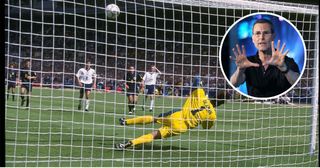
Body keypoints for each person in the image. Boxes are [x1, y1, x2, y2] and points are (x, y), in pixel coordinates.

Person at [115, 87, 226, 150]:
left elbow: (196, 89)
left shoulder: (201, 95)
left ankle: (126, 121)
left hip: (177, 114)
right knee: (154, 135)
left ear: (215, 95)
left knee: (154, 119)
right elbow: (206, 127)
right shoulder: (213, 116)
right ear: (221, 104)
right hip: (181, 127)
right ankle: (130, 143)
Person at [230, 19, 300, 97]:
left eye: (266, 33)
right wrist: (240, 70)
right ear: (253, 38)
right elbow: (234, 84)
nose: (261, 37)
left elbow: (297, 84)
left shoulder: (286, 61)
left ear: (273, 36)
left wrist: (284, 68)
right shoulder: (247, 62)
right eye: (257, 33)